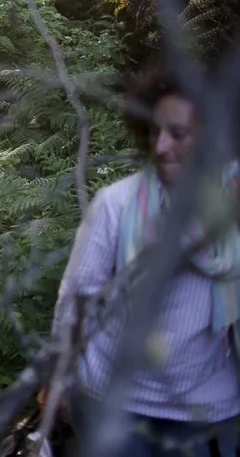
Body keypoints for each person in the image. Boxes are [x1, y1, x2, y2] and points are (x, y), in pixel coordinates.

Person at [41, 63, 240, 457]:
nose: (162, 146)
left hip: (206, 407)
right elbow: (77, 298)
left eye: (178, 134)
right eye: (155, 131)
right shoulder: (117, 205)